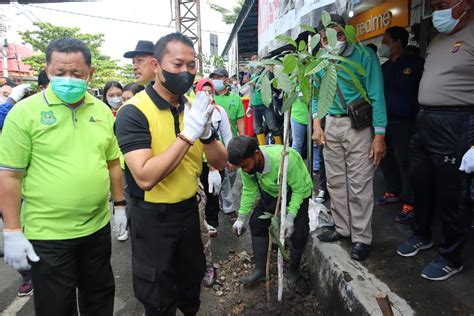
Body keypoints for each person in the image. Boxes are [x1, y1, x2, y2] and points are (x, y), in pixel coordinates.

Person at [0, 37, 125, 315]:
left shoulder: (103, 112)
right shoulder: (24, 114)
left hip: (96, 229)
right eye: (59, 73)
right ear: (47, 70)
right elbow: (10, 175)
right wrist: (11, 231)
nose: (68, 79)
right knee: (56, 307)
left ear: (90, 73)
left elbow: (113, 161)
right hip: (48, 235)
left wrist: (120, 206)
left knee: (100, 298)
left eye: (76, 74)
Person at [114, 32, 227, 315]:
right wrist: (188, 135)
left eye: (191, 66)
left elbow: (222, 160)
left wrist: (206, 132)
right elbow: (145, 176)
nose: (186, 72)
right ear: (156, 65)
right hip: (153, 219)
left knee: (190, 289)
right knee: (158, 296)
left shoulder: (193, 108)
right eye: (177, 65)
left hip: (189, 212)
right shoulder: (134, 112)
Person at [397, 0, 473, 281]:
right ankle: (421, 234)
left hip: (459, 121)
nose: (437, 9)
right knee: (421, 182)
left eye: (443, 3)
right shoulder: (439, 39)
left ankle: (451, 256)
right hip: (426, 119)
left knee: (453, 194)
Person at [312, 14, 387, 261]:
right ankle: (343, 228)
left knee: (360, 183)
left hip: (358, 126)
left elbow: (377, 96)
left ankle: (362, 237)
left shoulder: (365, 56)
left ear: (347, 32)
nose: (332, 41)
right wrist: (317, 124)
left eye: (338, 35)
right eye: (326, 38)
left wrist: (380, 135)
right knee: (334, 181)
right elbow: (315, 95)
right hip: (331, 124)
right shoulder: (321, 60)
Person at [229, 136, 312, 287]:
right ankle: (261, 271)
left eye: (246, 165)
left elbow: (299, 190)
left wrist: (290, 217)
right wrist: (241, 218)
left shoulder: (286, 159)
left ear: (256, 153)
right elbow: (249, 190)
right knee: (257, 222)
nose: (245, 170)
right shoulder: (247, 168)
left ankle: (293, 271)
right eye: (241, 167)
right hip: (272, 192)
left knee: (299, 233)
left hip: (297, 191)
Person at [378, 26, 425, 223]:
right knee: (385, 159)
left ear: (397, 42)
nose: (383, 46)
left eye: (386, 42)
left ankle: (409, 202)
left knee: (405, 163)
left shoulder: (415, 64)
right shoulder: (385, 67)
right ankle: (392, 191)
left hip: (406, 124)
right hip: (385, 123)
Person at [195, 78, 233, 286]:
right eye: (204, 91)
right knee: (201, 196)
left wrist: (229, 160)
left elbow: (227, 136)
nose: (208, 95)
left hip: (217, 161)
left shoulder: (219, 112)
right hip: (199, 164)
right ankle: (205, 225)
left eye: (211, 92)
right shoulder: (192, 111)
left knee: (214, 194)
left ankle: (212, 223)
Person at [210, 67, 245, 222]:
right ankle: (229, 208)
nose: (216, 80)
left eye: (219, 77)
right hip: (215, 147)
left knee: (230, 176)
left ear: (226, 79)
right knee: (222, 178)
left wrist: (243, 145)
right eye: (214, 77)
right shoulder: (211, 98)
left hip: (232, 144)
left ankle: (222, 200)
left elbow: (240, 123)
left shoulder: (236, 98)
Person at [248, 58, 282, 145]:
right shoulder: (253, 76)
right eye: (252, 60)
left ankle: (279, 147)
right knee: (257, 128)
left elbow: (269, 86)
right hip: (255, 104)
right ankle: (262, 149)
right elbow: (251, 92)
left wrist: (256, 84)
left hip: (266, 103)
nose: (254, 62)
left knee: (273, 126)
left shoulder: (267, 74)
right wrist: (249, 105)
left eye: (255, 59)